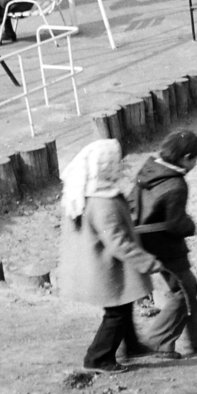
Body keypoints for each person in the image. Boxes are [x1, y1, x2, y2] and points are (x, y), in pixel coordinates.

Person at [57, 139, 173, 371]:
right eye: (116, 163)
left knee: (125, 304)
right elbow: (117, 242)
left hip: (101, 264)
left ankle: (131, 346)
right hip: (106, 269)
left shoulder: (86, 191)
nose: (120, 167)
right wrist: (147, 262)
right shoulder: (102, 204)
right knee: (117, 313)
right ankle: (98, 357)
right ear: (106, 167)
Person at [132, 130, 197, 356]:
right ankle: (157, 341)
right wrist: (190, 225)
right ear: (186, 156)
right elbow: (175, 224)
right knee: (183, 291)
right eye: (195, 159)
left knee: (189, 287)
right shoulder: (176, 185)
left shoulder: (149, 170)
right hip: (167, 247)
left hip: (146, 241)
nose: (195, 164)